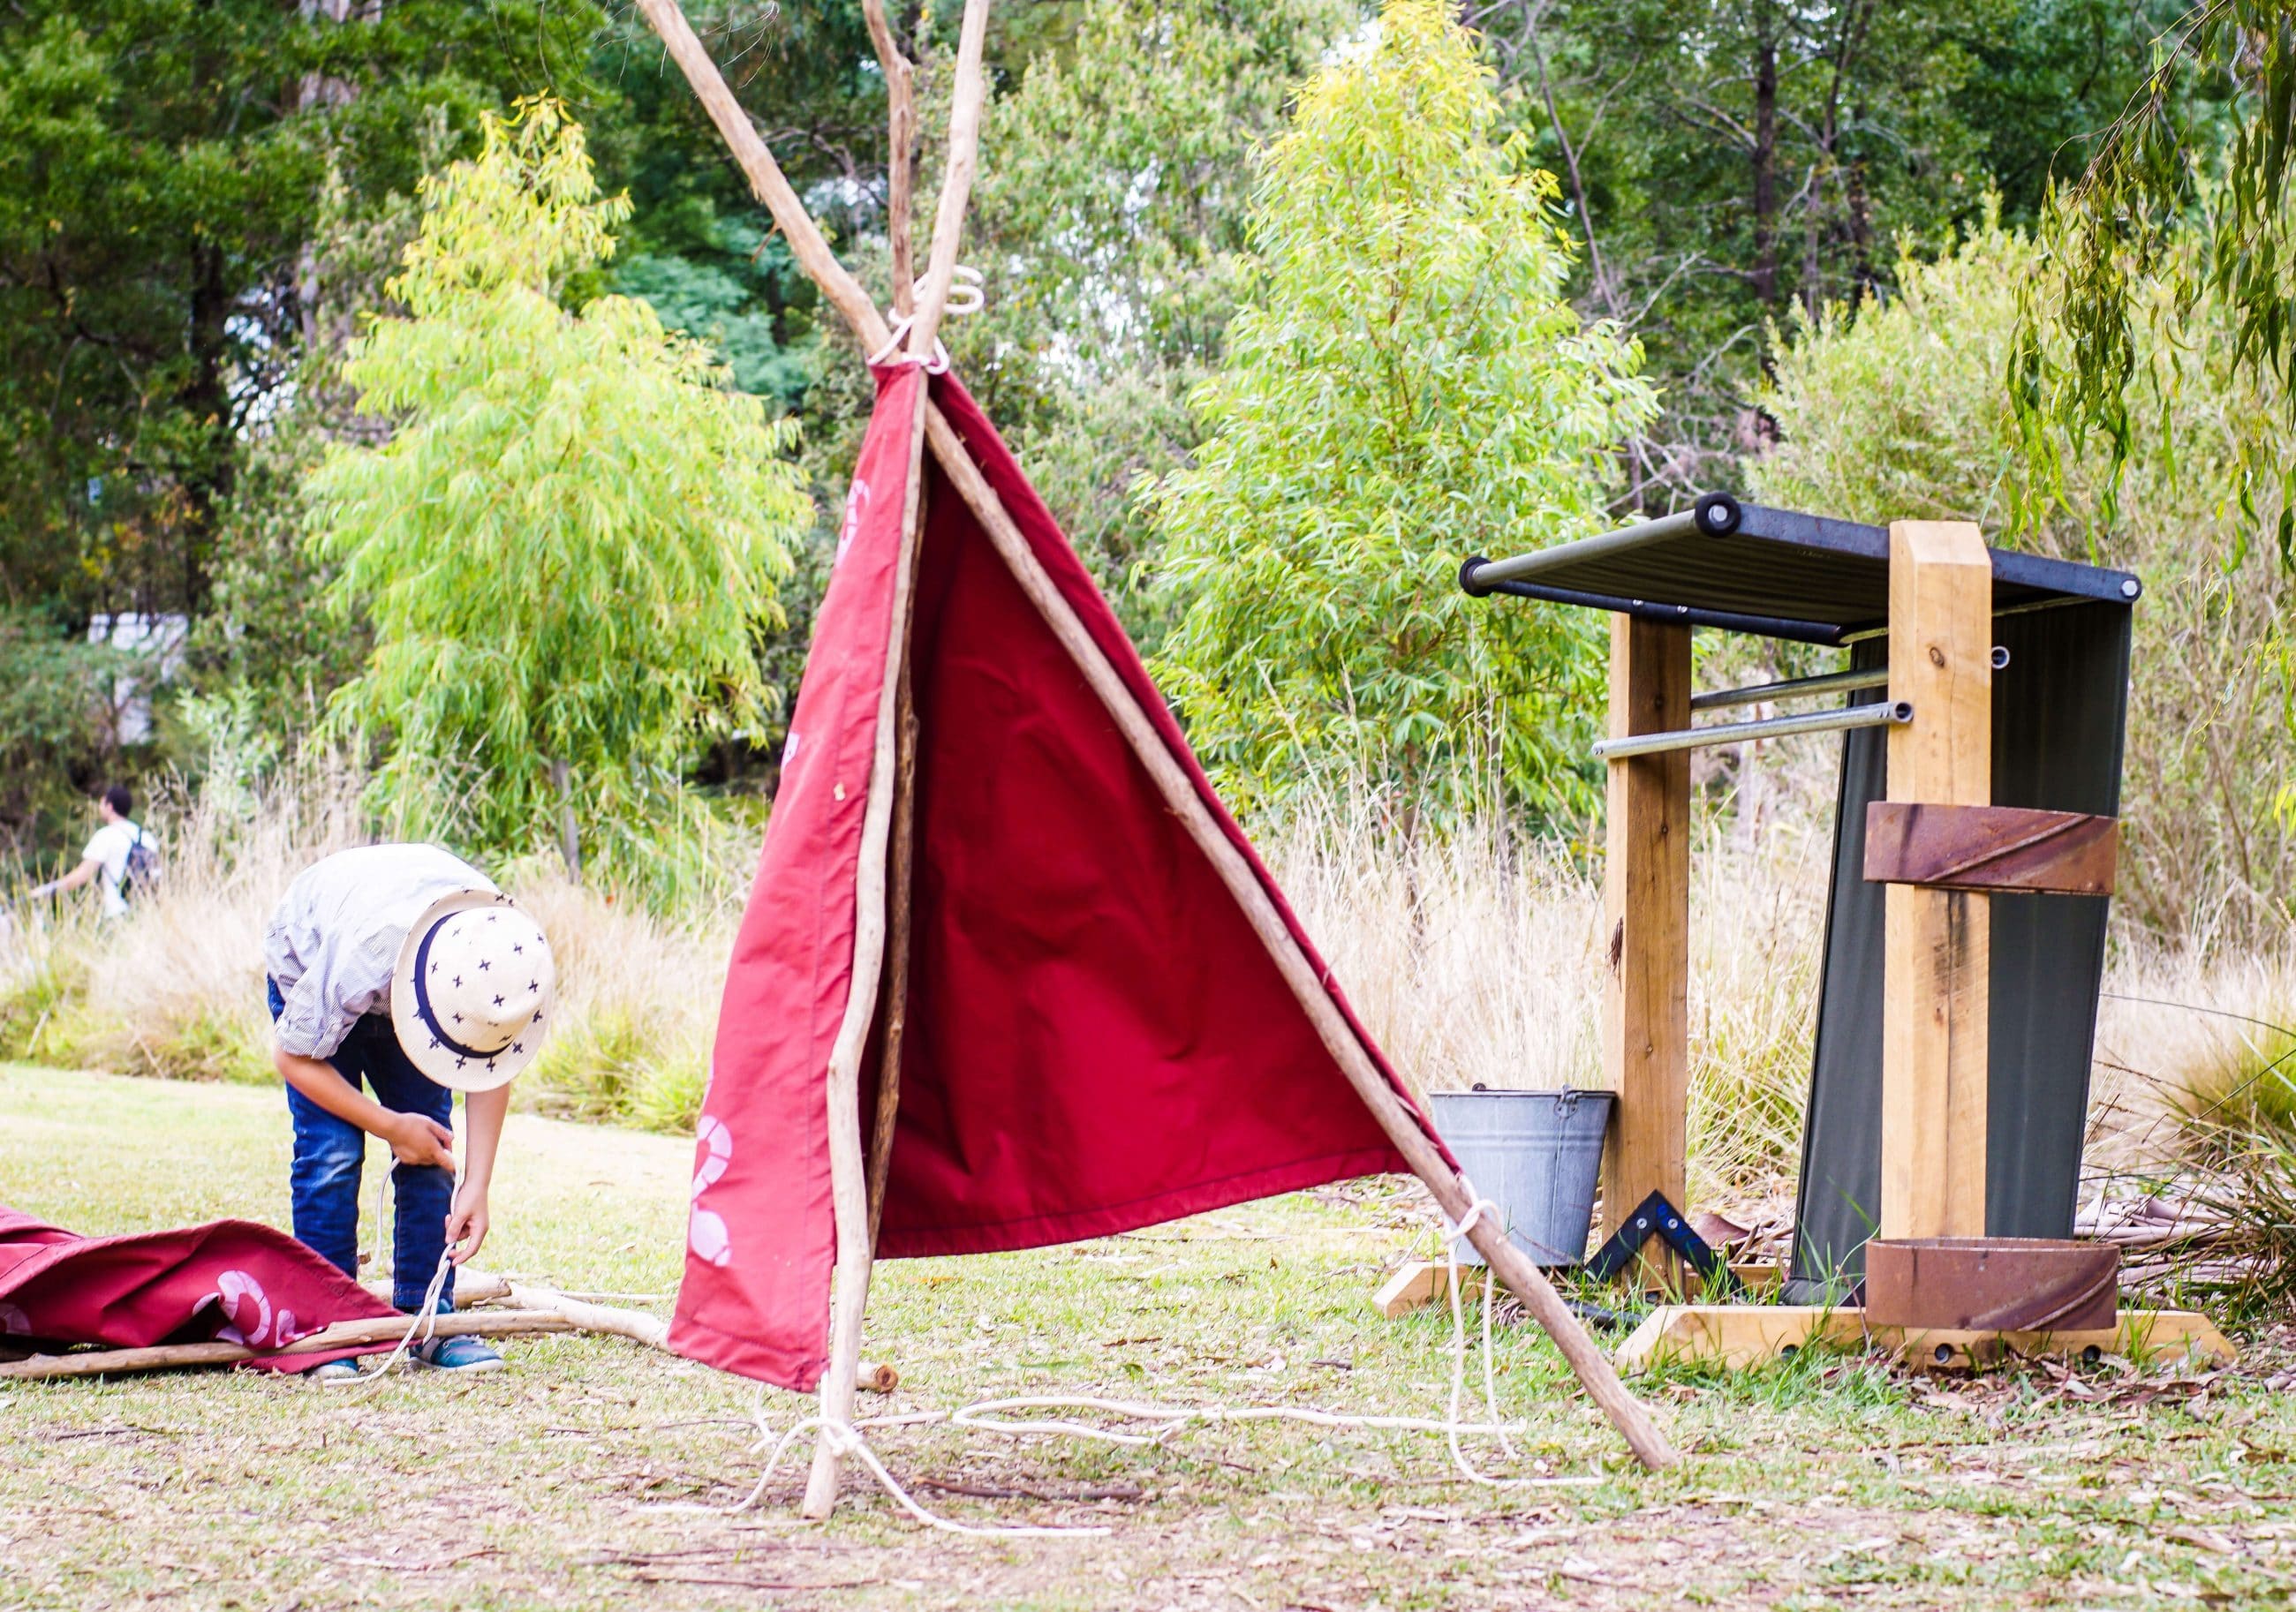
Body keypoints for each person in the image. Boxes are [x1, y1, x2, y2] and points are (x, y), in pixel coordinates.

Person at [263, 843, 556, 1377]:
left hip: (414, 972)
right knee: (332, 1154)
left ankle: (428, 1319)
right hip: (323, 964)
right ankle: (328, 1328)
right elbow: (292, 1056)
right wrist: (389, 1126)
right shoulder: (362, 955)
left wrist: (477, 1184)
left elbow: (489, 1067)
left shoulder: (509, 958)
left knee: (430, 1150)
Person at [29, 786, 149, 917]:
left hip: (117, 912)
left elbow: (82, 875)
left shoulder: (106, 835)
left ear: (110, 807)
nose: (99, 808)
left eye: (102, 803)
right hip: (146, 914)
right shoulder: (146, 837)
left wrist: (47, 890)